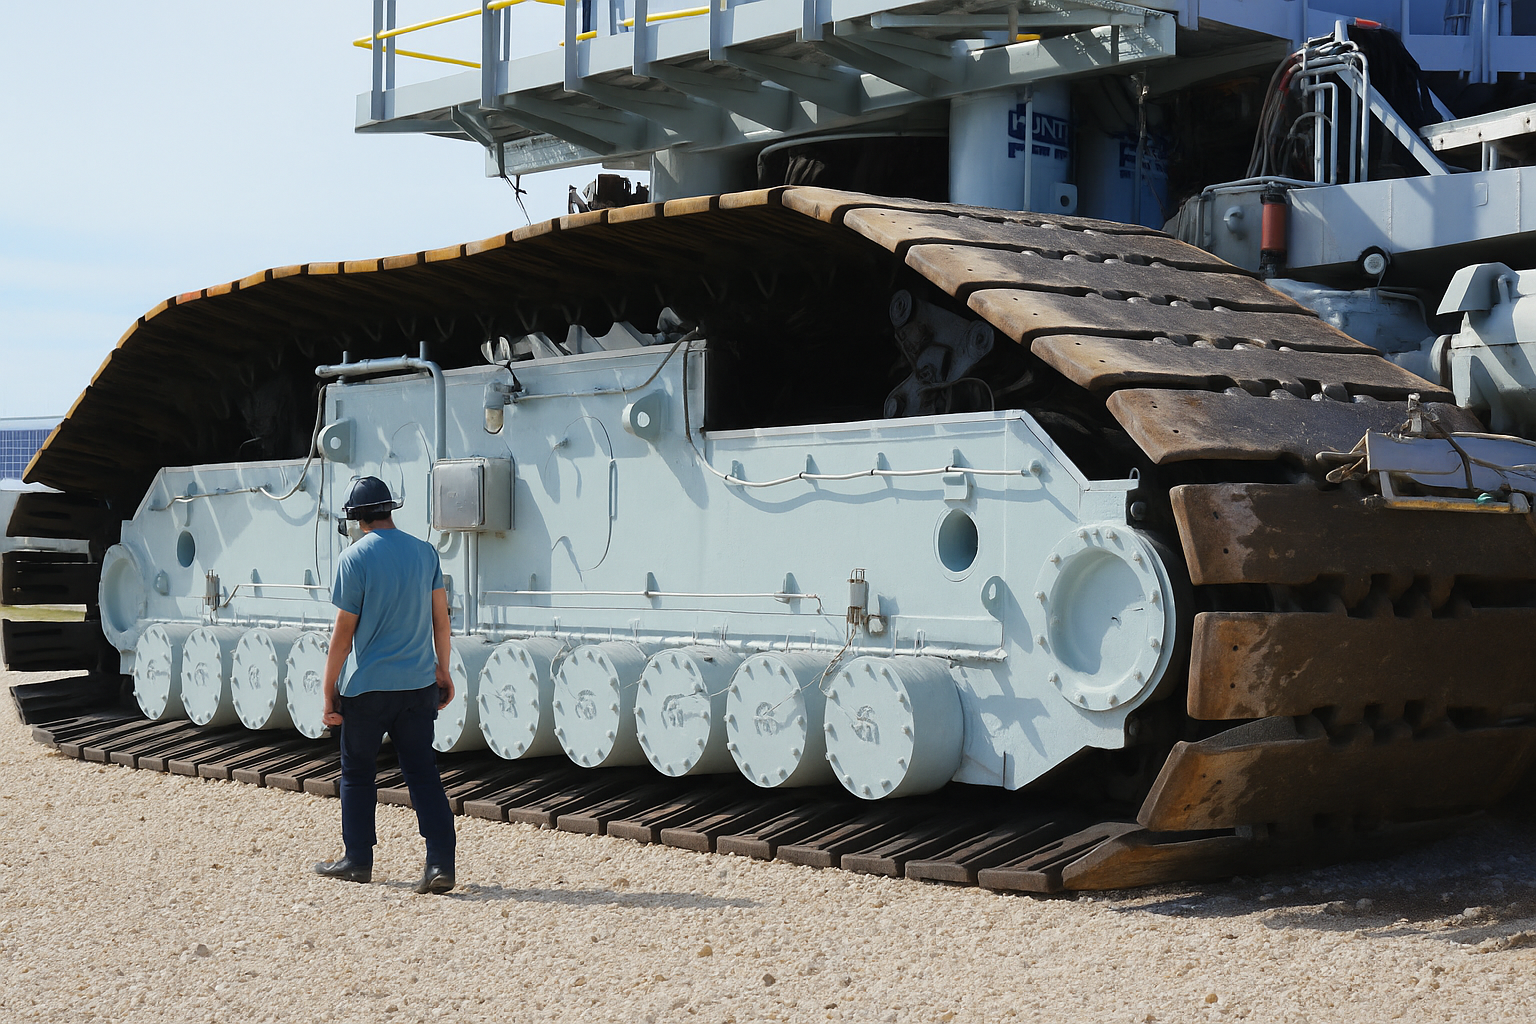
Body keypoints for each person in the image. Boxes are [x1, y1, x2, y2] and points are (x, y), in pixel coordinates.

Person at [312, 476, 457, 894]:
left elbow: (343, 635)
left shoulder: (353, 559)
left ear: (356, 518)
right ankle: (439, 866)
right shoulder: (425, 552)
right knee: (422, 773)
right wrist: (442, 670)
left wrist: (328, 690)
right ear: (389, 510)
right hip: (417, 685)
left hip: (367, 688)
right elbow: (440, 621)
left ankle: (358, 860)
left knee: (357, 773)